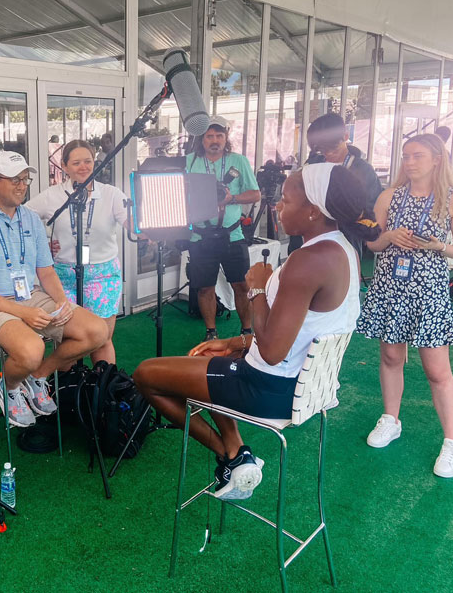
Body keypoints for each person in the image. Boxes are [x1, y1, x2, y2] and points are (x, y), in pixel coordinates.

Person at [134, 163, 379, 498]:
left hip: (269, 388)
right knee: (212, 360)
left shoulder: (309, 260)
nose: (277, 206)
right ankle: (236, 452)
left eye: (286, 201)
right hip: (304, 385)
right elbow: (300, 332)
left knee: (147, 375)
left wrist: (258, 288)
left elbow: (272, 352)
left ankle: (230, 457)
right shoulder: (342, 248)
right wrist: (236, 341)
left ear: (312, 212)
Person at [0, 151, 108, 428]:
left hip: (29, 295)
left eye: (25, 178)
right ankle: (10, 387)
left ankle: (37, 377)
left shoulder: (30, 218)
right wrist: (22, 313)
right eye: (14, 179)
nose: (22, 185)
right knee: (31, 348)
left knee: (97, 331)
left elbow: (46, 271)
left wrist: (61, 304)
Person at [356, 133, 453, 478]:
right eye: (405, 155)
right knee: (391, 357)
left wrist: (438, 246)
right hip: (390, 287)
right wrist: (388, 237)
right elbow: (372, 243)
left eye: (417, 155)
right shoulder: (389, 196)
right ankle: (391, 419)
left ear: (437, 159)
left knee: (437, 371)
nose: (409, 162)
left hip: (429, 292)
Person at [26, 139, 127, 363]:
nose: (83, 167)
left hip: (104, 274)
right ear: (64, 166)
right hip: (63, 277)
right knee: (70, 340)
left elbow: (133, 223)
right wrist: (42, 242)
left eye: (88, 161)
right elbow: (21, 219)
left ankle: (102, 392)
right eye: (76, 162)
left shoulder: (111, 194)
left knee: (102, 338)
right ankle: (67, 391)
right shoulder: (52, 195)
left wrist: (145, 230)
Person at [185, 115, 261, 341]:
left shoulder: (238, 161)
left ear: (226, 137)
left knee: (241, 284)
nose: (214, 140)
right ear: (202, 139)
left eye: (219, 135)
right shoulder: (189, 161)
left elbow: (255, 194)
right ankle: (211, 332)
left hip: (232, 234)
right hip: (200, 236)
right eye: (209, 136)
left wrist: (232, 199)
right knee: (204, 287)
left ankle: (246, 330)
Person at [294, 112, 383, 255]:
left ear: (346, 136)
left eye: (332, 149)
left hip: (345, 241)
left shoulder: (363, 170)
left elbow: (372, 210)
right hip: (308, 237)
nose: (327, 154)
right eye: (322, 150)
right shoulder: (312, 164)